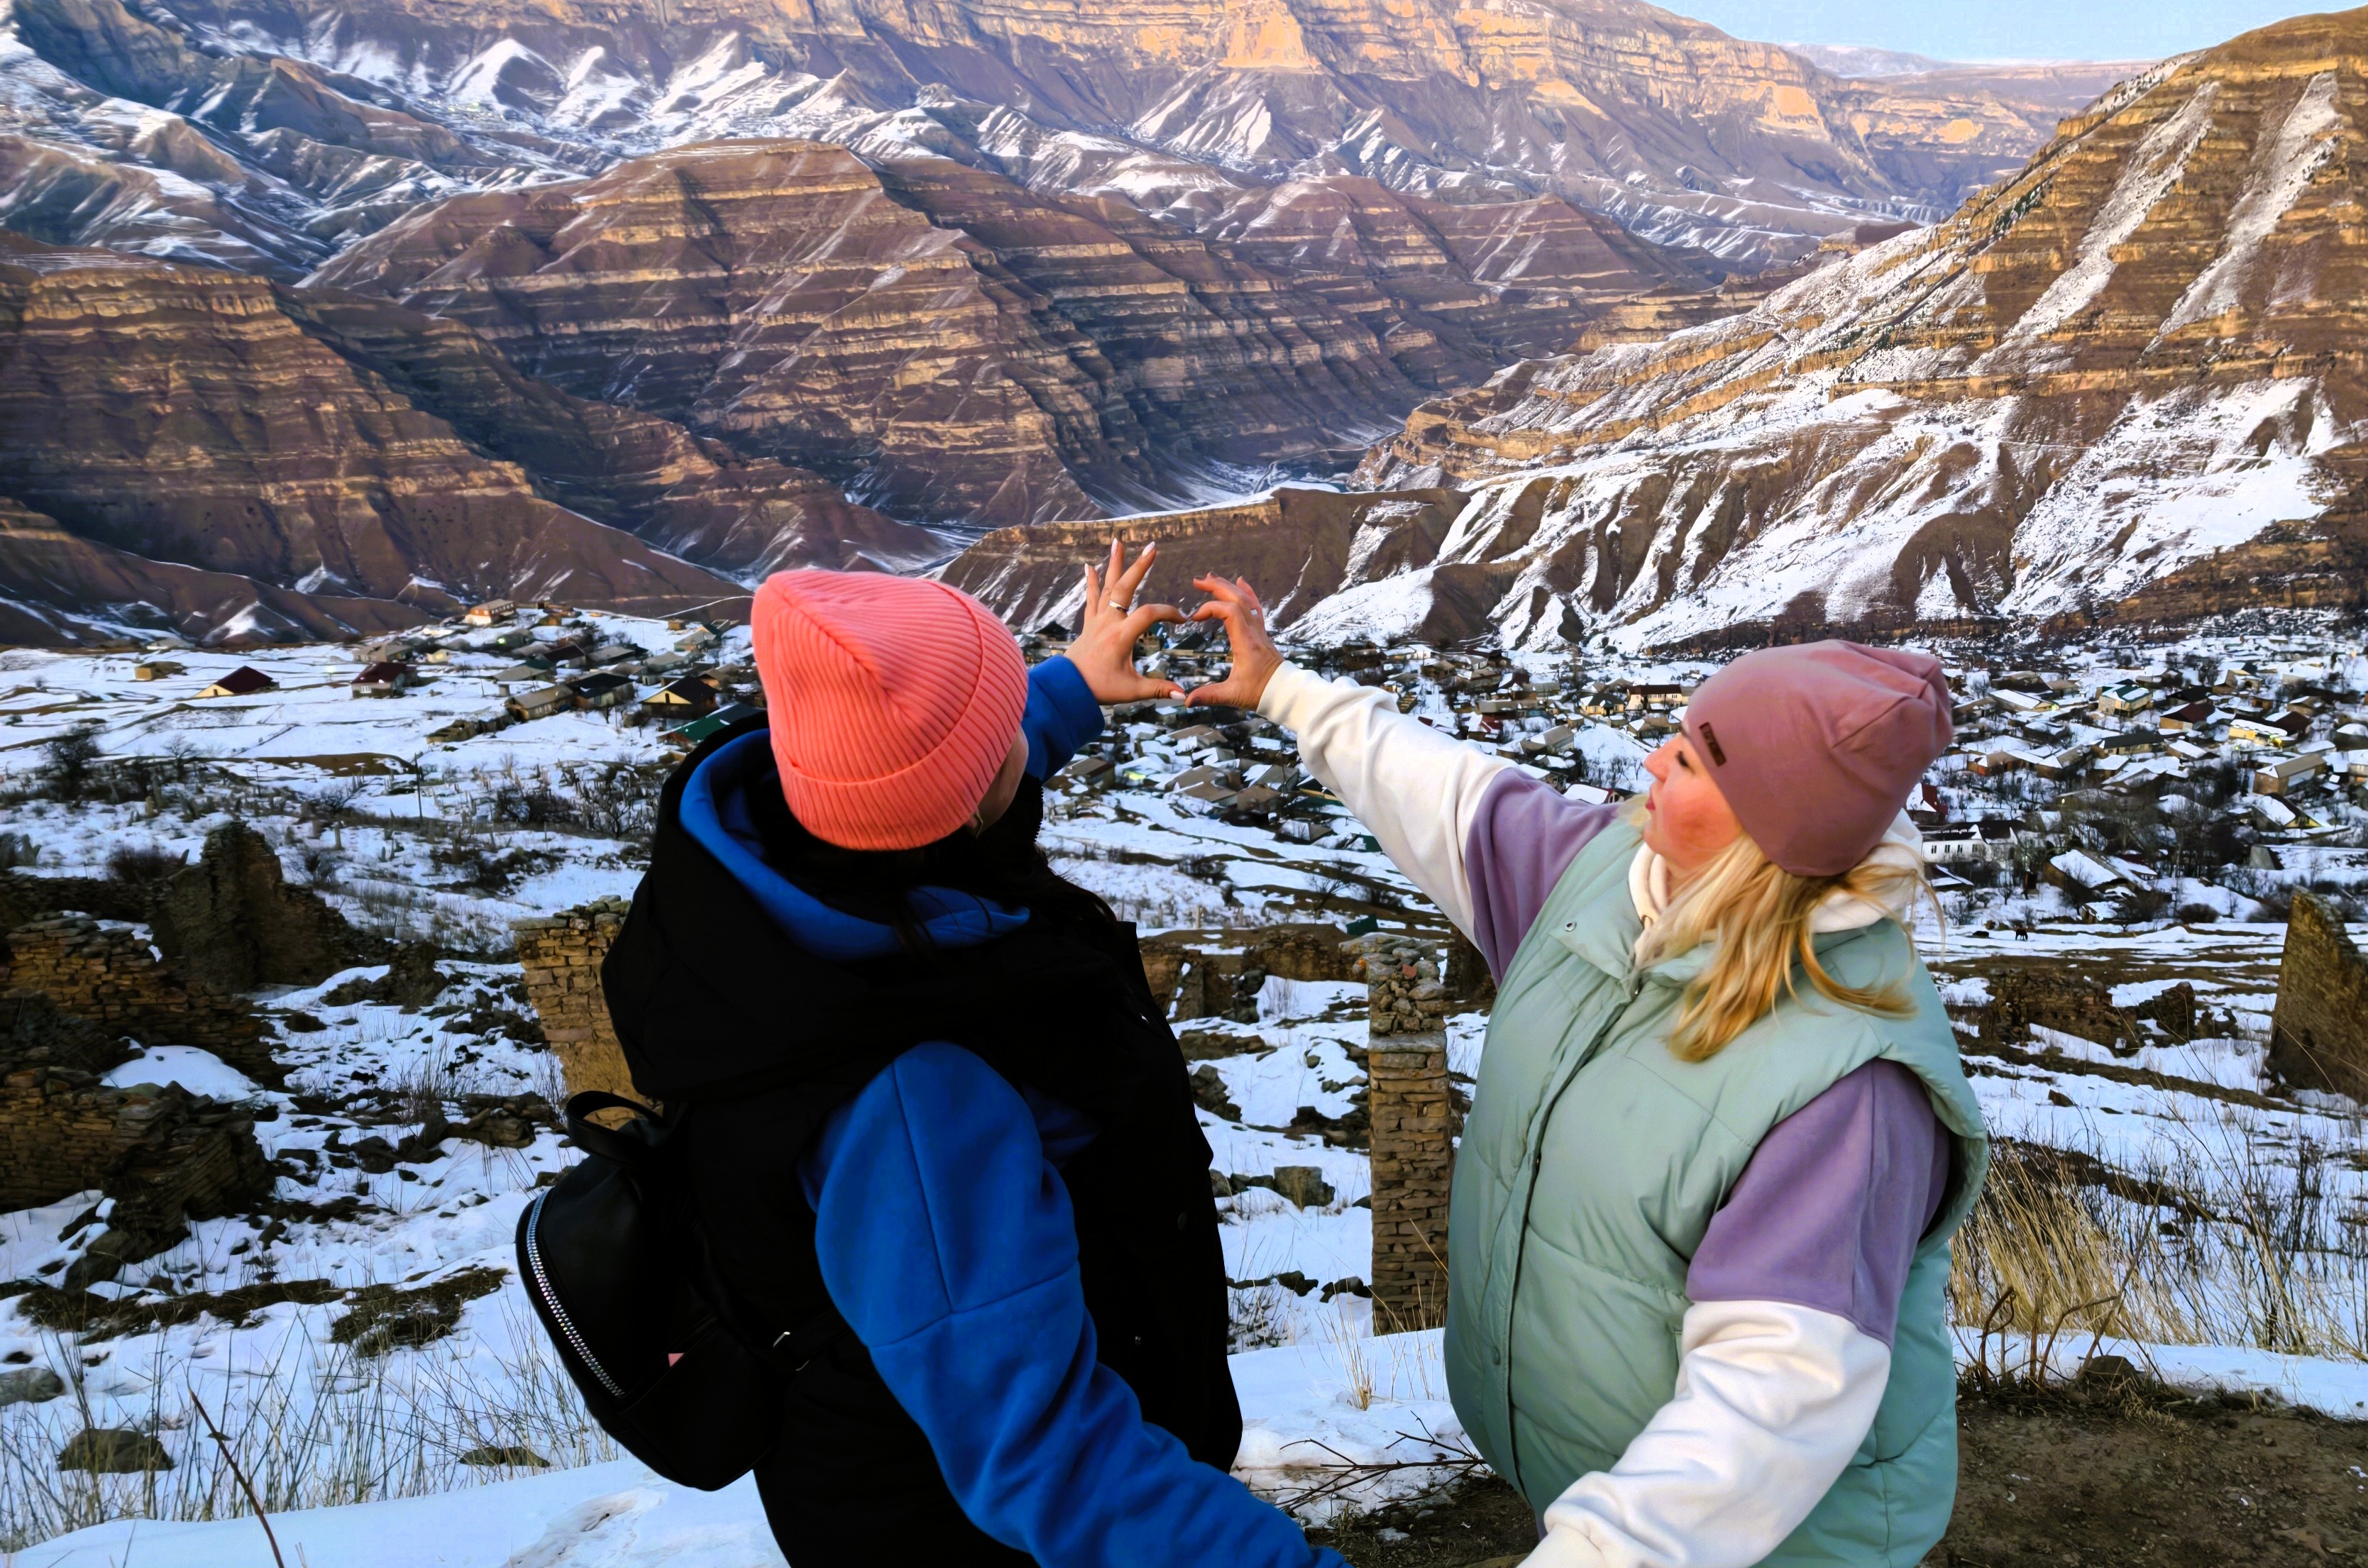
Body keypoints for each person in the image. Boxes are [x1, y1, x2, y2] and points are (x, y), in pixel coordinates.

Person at [1185, 574, 1990, 1568]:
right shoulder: (1604, 880)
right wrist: (1283, 687)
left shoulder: (1844, 1088)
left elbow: (1764, 1412)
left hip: (1773, 1539)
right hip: (1592, 1480)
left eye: (1692, 759)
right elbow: (1444, 793)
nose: (1653, 761)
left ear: (1762, 830)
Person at [602, 548, 1344, 1568]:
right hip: (974, 1536)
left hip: (895, 1465)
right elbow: (1048, 1455)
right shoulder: (915, 1098)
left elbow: (932, 786)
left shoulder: (783, 875)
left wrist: (1072, 687)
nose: (1017, 742)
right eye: (1000, 730)